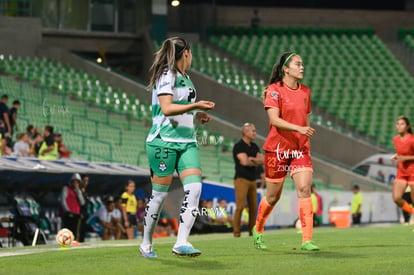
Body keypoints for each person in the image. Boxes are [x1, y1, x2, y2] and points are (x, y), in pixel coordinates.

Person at [139, 36, 215, 258]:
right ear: (186, 53)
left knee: (195, 188)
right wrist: (196, 105)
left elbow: (180, 108)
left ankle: (181, 242)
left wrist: (196, 114)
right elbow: (167, 108)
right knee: (159, 196)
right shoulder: (166, 75)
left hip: (187, 141)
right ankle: (146, 243)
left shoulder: (186, 77)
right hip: (163, 141)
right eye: (191, 54)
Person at [252, 52, 319, 251]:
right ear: (286, 69)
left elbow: (305, 120)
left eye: (302, 64)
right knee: (273, 197)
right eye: (298, 64)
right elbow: (274, 120)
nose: (302, 67)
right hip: (277, 149)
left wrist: (304, 138)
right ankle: (258, 228)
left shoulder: (306, 91)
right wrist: (299, 129)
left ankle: (307, 240)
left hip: (300, 150)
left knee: (305, 189)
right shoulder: (274, 90)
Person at [232, 123, 263, 237]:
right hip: (241, 179)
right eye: (253, 131)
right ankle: (236, 232)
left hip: (252, 179)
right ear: (245, 132)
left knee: (253, 207)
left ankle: (252, 231)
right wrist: (255, 161)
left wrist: (251, 159)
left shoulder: (254, 146)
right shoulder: (239, 146)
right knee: (240, 207)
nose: (255, 133)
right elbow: (244, 161)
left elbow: (262, 161)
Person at [391, 116, 414, 216]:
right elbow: (402, 152)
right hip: (402, 171)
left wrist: (406, 158)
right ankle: (412, 212)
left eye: (402, 124)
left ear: (407, 127)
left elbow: (407, 155)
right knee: (396, 197)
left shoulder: (412, 140)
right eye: (397, 124)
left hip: (413, 171)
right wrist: (396, 156)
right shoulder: (395, 139)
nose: (399, 126)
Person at [61, 173, 85, 243]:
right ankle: (65, 242)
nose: (75, 184)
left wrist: (78, 192)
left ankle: (75, 242)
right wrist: (67, 211)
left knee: (76, 230)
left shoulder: (78, 191)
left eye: (77, 182)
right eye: (74, 182)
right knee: (67, 230)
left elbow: (82, 202)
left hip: (76, 214)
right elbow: (63, 200)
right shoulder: (66, 189)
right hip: (68, 214)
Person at [78, 174, 90, 242]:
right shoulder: (78, 191)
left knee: (83, 231)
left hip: (85, 215)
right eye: (84, 180)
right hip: (79, 214)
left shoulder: (85, 192)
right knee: (78, 231)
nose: (86, 183)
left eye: (87, 181)